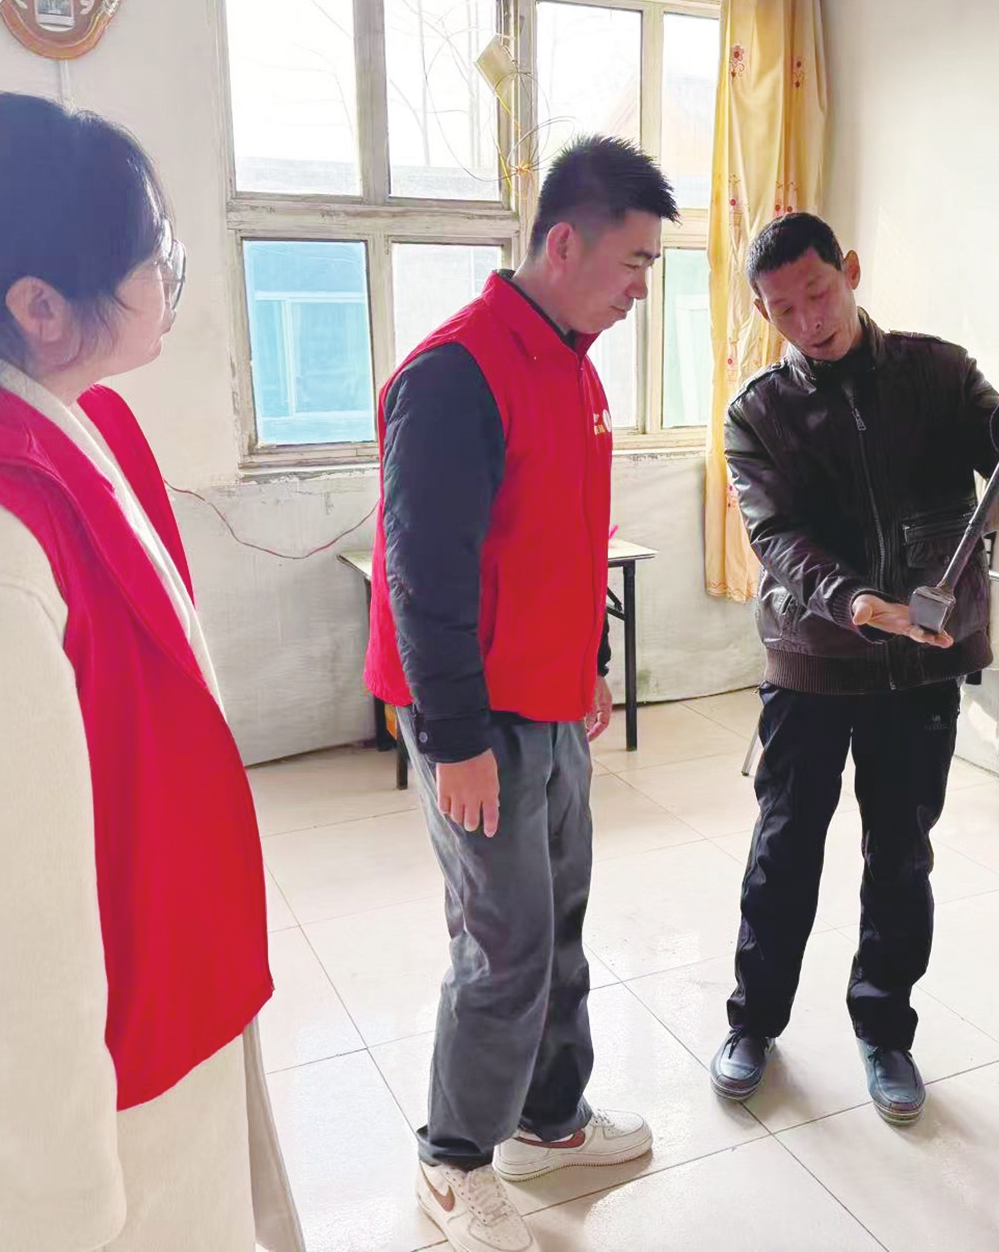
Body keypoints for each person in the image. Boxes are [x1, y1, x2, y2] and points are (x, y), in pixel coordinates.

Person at [0, 92, 302, 1251]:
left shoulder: (60, 425)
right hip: (88, 1120)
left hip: (155, 1013)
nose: (165, 273)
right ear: (37, 307)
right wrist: (40, 1222)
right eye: (147, 252)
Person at [364, 136, 678, 1252]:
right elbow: (422, 575)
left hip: (548, 700)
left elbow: (565, 538)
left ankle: (549, 1122)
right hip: (477, 716)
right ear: (564, 244)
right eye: (633, 263)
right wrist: (452, 739)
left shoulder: (574, 367)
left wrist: (588, 659)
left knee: (558, 923)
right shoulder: (457, 374)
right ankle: (451, 1160)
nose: (641, 289)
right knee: (501, 942)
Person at [709, 212, 999, 1124]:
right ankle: (753, 1021)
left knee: (901, 855)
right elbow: (773, 534)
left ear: (852, 271)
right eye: (782, 309)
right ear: (762, 312)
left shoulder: (936, 372)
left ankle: (885, 1031)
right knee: (784, 848)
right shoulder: (757, 411)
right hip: (812, 660)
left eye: (819, 293)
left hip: (919, 668)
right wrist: (853, 600)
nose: (808, 320)